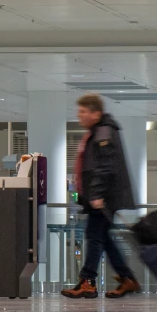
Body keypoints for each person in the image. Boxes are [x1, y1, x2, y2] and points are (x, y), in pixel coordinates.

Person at [61, 94, 140, 300]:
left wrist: (96, 195)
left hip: (104, 198)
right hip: (99, 196)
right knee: (102, 238)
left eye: (83, 112)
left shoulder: (103, 131)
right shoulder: (98, 131)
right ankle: (126, 278)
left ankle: (88, 281)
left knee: (95, 237)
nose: (80, 116)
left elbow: (105, 168)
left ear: (96, 113)